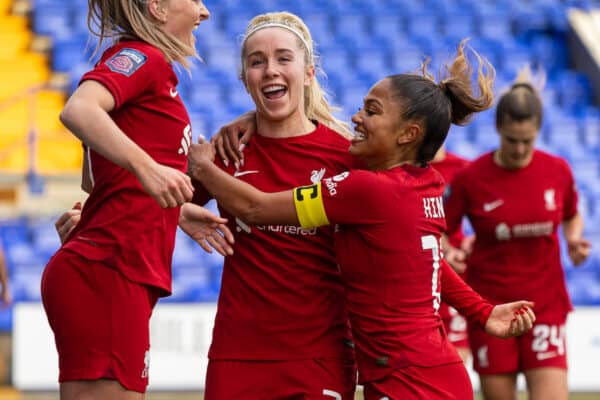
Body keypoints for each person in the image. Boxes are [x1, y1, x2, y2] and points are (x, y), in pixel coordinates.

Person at [185, 39, 537, 399]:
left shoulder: (365, 189)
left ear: (408, 134)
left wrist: (201, 166)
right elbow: (427, 262)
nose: (356, 118)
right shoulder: (421, 183)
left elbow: (256, 208)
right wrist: (482, 311)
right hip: (417, 372)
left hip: (406, 378)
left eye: (371, 111)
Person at [40, 1, 221, 399]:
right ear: (156, 8)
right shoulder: (143, 57)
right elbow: (79, 110)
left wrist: (174, 212)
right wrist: (148, 168)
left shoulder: (149, 69)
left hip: (116, 269)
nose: (204, 11)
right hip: (108, 269)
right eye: (193, 0)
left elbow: (97, 179)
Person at [443, 68, 592, 400]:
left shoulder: (557, 170)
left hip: (546, 304)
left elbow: (571, 214)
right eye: (512, 140)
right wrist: (449, 252)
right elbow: (441, 228)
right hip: (492, 308)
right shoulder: (472, 178)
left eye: (527, 140)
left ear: (538, 132)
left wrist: (573, 241)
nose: (520, 149)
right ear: (498, 130)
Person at [431, 145, 473, 362]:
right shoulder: (401, 168)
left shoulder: (464, 169)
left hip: (453, 273)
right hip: (416, 271)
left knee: (455, 358)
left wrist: (472, 241)